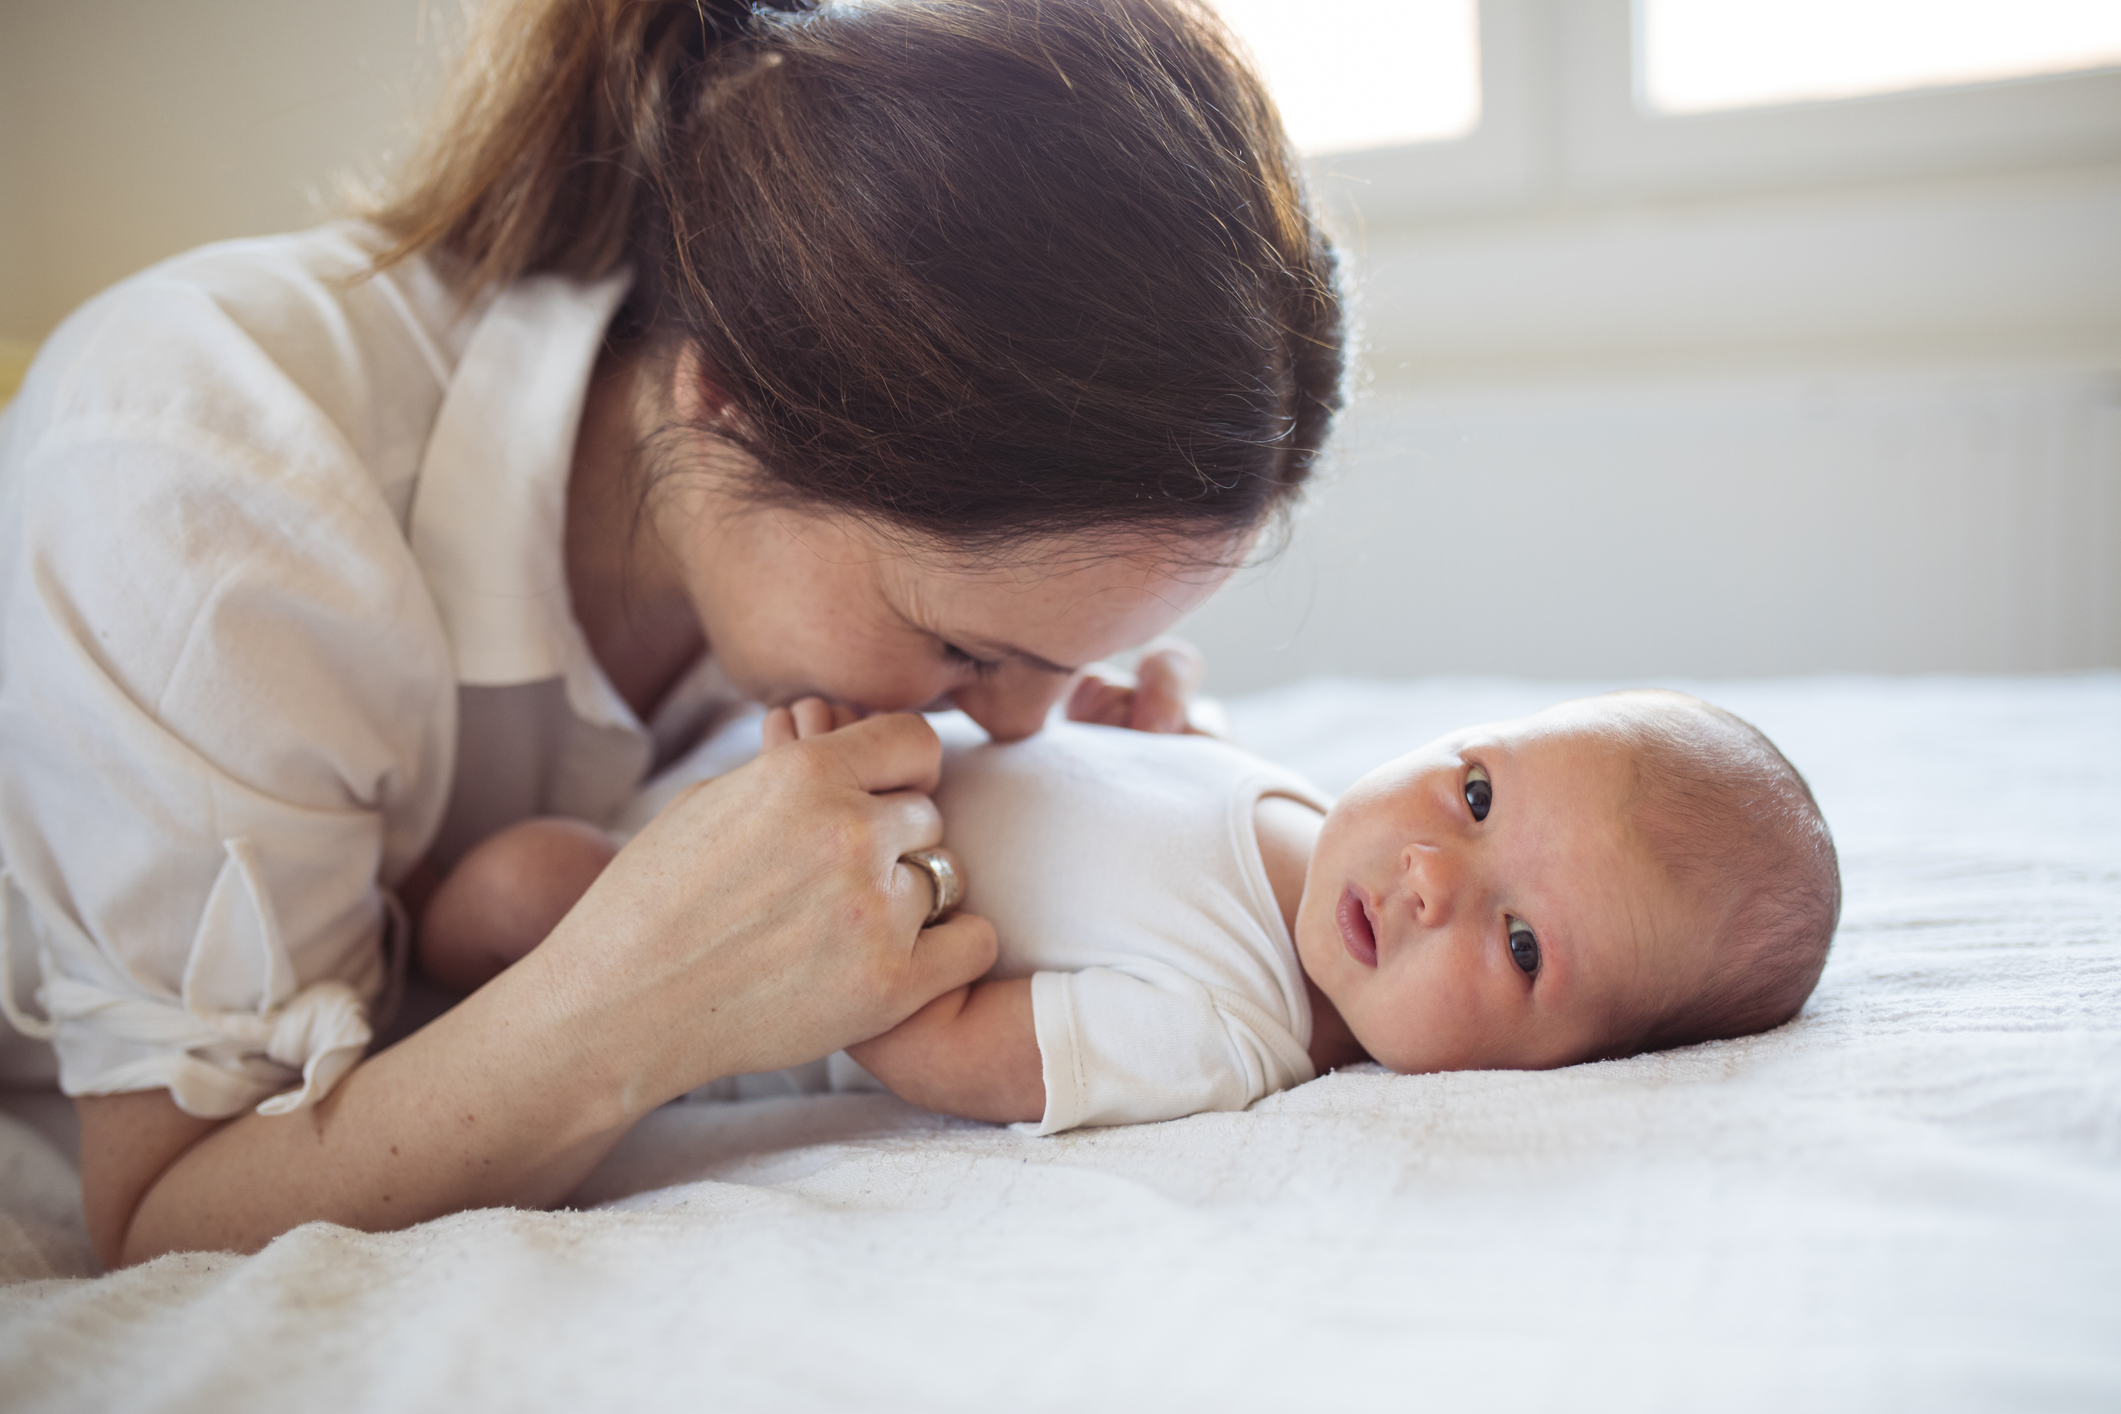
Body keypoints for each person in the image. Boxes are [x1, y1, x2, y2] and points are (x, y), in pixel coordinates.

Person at [0, 0, 1344, 1264]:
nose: (1004, 717)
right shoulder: (210, 488)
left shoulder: (782, 569)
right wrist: (633, 1003)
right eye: (968, 650)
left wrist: (1082, 833)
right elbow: (162, 1215)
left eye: (1067, 657)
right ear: (721, 406)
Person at [424, 689, 1842, 1130]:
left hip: (735, 938)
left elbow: (950, 1043)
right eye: (1475, 794)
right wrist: (1134, 718)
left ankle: (392, 996)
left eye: (1521, 944)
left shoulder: (1223, 1035)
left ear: (1561, 1072)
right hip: (773, 780)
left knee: (516, 884)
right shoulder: (1291, 808)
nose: (1429, 878)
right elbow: (1126, 795)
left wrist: (819, 852)